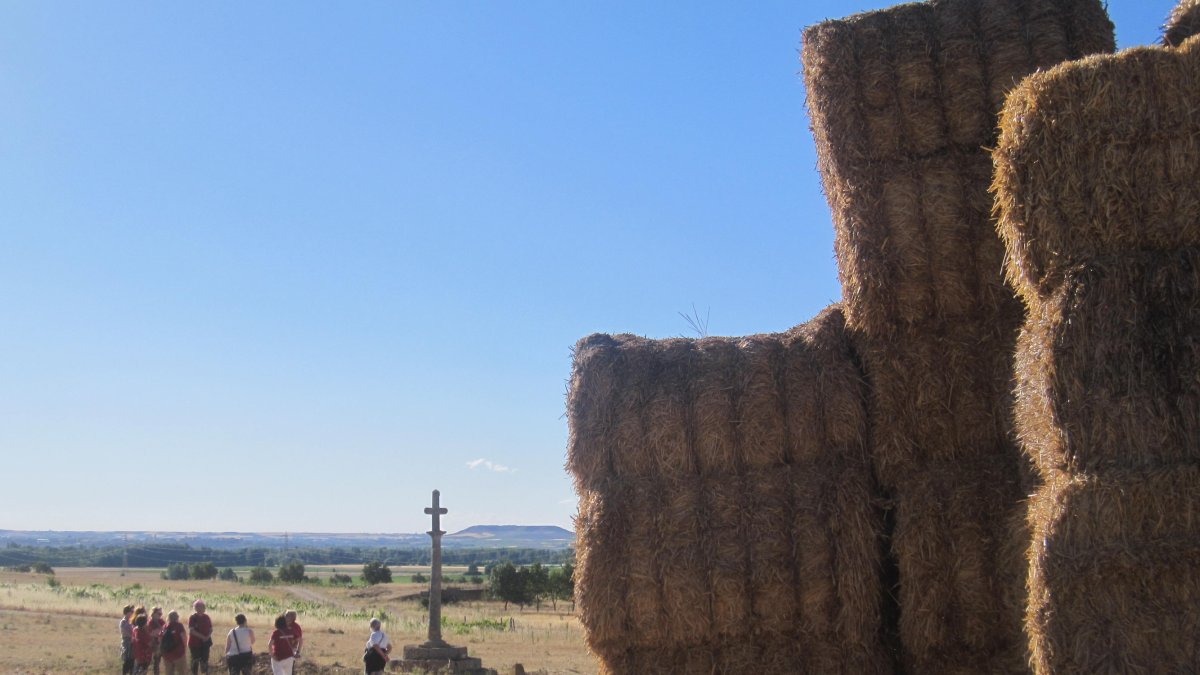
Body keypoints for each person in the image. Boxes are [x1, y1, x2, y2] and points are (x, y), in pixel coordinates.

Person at [187, 599, 213, 675]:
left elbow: (211, 629)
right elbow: (192, 631)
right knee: (195, 660)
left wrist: (207, 637)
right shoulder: (192, 617)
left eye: (203, 607)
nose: (203, 608)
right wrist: (203, 637)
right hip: (194, 643)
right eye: (201, 607)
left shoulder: (207, 617)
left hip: (205, 643)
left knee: (205, 660)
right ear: (196, 608)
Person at [160, 611, 188, 675]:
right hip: (178, 653)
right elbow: (184, 638)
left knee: (169, 673)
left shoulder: (164, 626)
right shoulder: (179, 626)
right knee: (182, 672)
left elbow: (160, 638)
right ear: (177, 617)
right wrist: (185, 649)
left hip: (167, 655)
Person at [148, 607, 166, 675]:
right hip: (154, 644)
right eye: (159, 613)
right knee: (156, 662)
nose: (160, 615)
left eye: (161, 613)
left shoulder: (161, 621)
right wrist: (160, 631)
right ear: (153, 614)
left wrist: (159, 631)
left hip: (161, 643)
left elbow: (164, 631)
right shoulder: (150, 622)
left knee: (160, 661)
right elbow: (151, 633)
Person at [119, 604, 135, 675]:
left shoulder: (132, 621)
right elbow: (125, 632)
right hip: (126, 643)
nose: (133, 613)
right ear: (127, 612)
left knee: (132, 662)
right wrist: (133, 636)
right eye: (132, 611)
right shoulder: (123, 622)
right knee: (126, 661)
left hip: (133, 643)